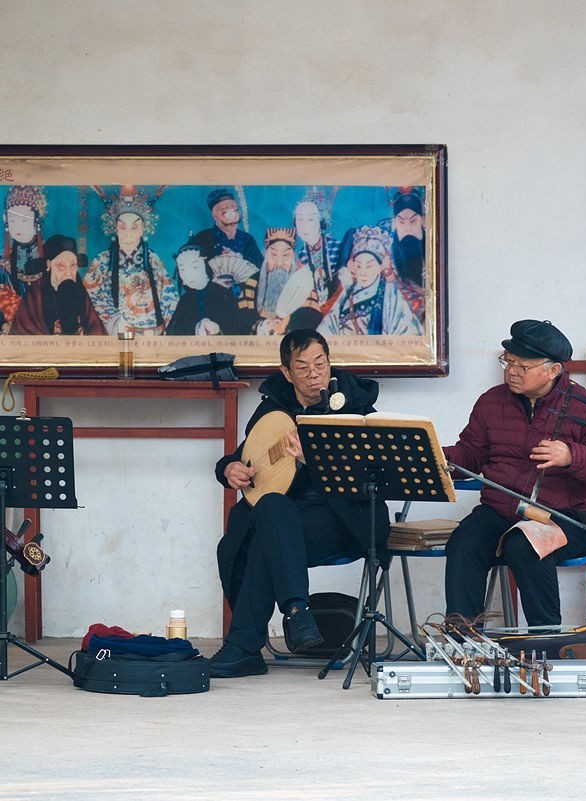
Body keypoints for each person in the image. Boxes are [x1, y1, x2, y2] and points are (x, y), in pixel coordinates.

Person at [210, 329, 386, 678]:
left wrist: (317, 459)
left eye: (320, 363)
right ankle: (296, 611)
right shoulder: (272, 407)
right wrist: (227, 467)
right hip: (284, 518)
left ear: (329, 362)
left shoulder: (355, 405)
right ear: (286, 372)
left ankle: (244, 646)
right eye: (302, 367)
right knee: (272, 510)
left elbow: (373, 474)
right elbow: (249, 454)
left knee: (266, 531)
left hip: (341, 517)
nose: (313, 373)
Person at [444, 320, 586, 627]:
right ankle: (465, 640)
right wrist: (439, 457)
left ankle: (547, 640)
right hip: (502, 511)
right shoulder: (492, 402)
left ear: (553, 370)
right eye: (508, 362)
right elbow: (471, 454)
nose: (512, 371)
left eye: (522, 366)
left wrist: (571, 456)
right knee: (464, 541)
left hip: (568, 517)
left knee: (524, 544)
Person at [83, 187, 178, 334]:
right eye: (122, 227)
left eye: (134, 228)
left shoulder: (152, 259)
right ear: (115, 229)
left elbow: (169, 298)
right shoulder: (102, 260)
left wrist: (163, 330)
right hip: (116, 331)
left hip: (151, 333)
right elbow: (90, 296)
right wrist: (114, 321)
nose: (127, 235)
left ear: (142, 230)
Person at [318, 226, 423, 336]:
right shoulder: (347, 293)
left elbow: (407, 331)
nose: (363, 272)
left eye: (369, 266)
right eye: (359, 266)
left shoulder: (390, 294)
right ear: (352, 266)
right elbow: (327, 328)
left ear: (381, 266)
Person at [9, 234, 106, 336]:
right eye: (61, 266)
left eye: (72, 266)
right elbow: (24, 330)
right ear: (49, 265)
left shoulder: (80, 291)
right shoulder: (35, 292)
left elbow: (96, 329)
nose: (68, 273)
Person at [0, 185, 49, 327]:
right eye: (13, 220)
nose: (18, 227)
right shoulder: (1, 259)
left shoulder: (51, 251)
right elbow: (0, 298)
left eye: (24, 220)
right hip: (16, 321)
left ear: (36, 221)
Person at [166, 243, 253, 336]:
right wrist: (198, 328)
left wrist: (217, 331)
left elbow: (240, 327)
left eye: (195, 267)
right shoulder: (186, 300)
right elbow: (173, 332)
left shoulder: (223, 293)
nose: (189, 274)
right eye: (183, 269)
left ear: (206, 266)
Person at [187, 187, 263, 270]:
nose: (231, 213)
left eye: (234, 208)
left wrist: (240, 257)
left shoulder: (247, 239)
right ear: (214, 215)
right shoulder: (202, 238)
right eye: (224, 211)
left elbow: (260, 266)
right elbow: (191, 269)